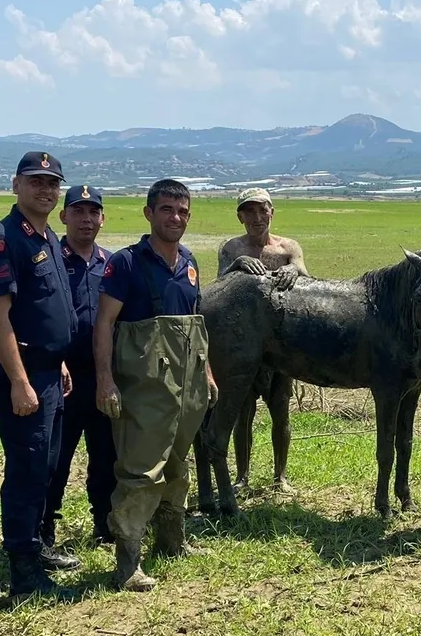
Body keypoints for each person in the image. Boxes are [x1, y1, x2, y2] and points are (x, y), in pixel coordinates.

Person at [94, 178, 218, 592]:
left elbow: (196, 324)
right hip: (144, 386)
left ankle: (172, 540)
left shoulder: (190, 262)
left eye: (182, 211)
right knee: (141, 470)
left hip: (187, 385)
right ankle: (128, 561)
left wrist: (207, 373)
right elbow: (104, 323)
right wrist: (105, 379)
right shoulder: (126, 263)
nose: (175, 218)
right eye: (166, 209)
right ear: (149, 213)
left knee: (178, 463)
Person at [0, 150, 79, 600]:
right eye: (35, 181)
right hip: (24, 377)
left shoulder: (47, 236)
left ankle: (36, 548)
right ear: (16, 185)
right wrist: (19, 381)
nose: (45, 190)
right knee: (27, 472)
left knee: (46, 468)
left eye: (52, 183)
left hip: (49, 373)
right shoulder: (5, 240)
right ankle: (23, 574)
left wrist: (58, 360)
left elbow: (42, 309)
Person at [215, 187, 309, 494]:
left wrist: (293, 270)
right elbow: (219, 288)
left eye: (263, 210)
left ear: (272, 213)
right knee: (243, 413)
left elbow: (307, 279)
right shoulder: (232, 248)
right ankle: (242, 476)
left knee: (281, 411)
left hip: (281, 345)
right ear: (240, 217)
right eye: (250, 211)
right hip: (244, 344)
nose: (257, 218)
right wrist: (237, 265)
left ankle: (280, 476)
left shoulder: (287, 247)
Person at [40, 184, 117, 548]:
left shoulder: (112, 264)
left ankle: (105, 523)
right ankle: (45, 528)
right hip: (63, 377)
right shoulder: (51, 260)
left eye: (93, 212)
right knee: (56, 458)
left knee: (106, 456)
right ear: (63, 216)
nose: (86, 219)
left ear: (102, 219)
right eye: (78, 211)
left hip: (103, 376)